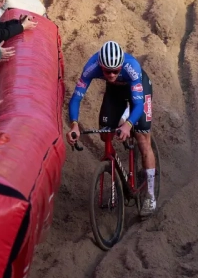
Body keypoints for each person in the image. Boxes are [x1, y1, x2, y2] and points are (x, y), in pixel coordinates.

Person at [66, 41, 157, 216]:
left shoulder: (132, 67)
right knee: (105, 134)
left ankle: (151, 196)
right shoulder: (91, 67)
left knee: (142, 139)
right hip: (115, 93)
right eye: (107, 71)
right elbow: (76, 98)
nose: (112, 74)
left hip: (139, 90)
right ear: (100, 66)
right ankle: (122, 125)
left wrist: (128, 124)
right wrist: (74, 125)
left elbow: (139, 105)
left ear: (121, 65)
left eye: (116, 71)